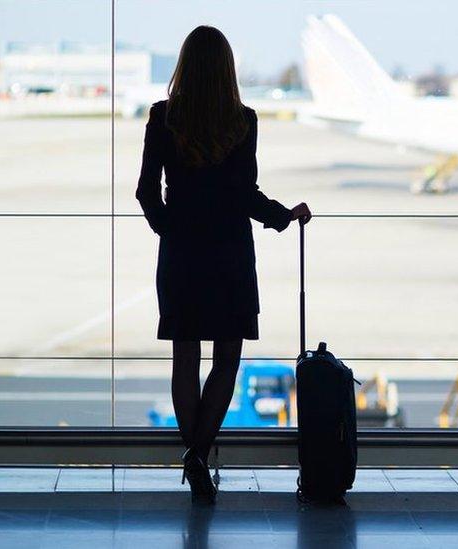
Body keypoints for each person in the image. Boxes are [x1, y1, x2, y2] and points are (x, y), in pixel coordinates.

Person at [135, 25, 311, 504]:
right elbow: (243, 194)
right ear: (227, 68)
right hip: (230, 255)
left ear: (185, 65)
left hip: (182, 255)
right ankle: (197, 456)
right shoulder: (243, 120)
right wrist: (283, 216)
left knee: (184, 358)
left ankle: (194, 458)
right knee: (226, 359)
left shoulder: (162, 118)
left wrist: (170, 229)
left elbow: (146, 192)